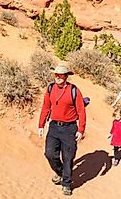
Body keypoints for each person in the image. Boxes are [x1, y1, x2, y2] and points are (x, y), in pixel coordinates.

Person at [38, 65, 87, 196]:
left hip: (69, 128)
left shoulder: (74, 90)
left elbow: (81, 111)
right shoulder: (50, 88)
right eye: (56, 75)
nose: (58, 78)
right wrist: (41, 125)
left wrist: (81, 129)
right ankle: (60, 173)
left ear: (66, 76)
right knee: (49, 154)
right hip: (54, 126)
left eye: (60, 75)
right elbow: (45, 107)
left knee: (68, 158)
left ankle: (66, 183)